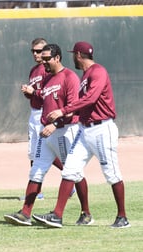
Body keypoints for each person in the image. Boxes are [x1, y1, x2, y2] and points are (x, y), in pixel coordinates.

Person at [33, 41, 130, 228]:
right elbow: (85, 106)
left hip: (103, 129)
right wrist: (69, 114)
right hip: (85, 129)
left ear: (78, 55)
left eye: (73, 54)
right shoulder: (85, 75)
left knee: (111, 174)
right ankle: (57, 215)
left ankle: (122, 217)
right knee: (70, 169)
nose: (73, 58)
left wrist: (63, 110)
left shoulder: (98, 71)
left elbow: (91, 98)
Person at [4, 44, 90, 226]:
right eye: (41, 59)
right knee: (36, 170)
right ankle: (25, 213)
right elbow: (42, 97)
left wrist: (56, 123)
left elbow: (74, 108)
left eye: (46, 59)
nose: (43, 62)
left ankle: (85, 213)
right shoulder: (48, 78)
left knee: (73, 172)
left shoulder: (70, 77)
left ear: (57, 58)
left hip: (65, 131)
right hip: (47, 131)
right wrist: (31, 93)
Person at [19, 38, 75, 201]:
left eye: (40, 51)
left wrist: (34, 92)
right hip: (36, 113)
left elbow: (51, 96)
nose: (37, 55)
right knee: (36, 154)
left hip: (49, 116)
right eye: (34, 51)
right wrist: (29, 93)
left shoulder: (51, 72)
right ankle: (32, 201)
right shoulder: (34, 71)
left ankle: (68, 185)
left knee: (44, 154)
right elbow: (39, 94)